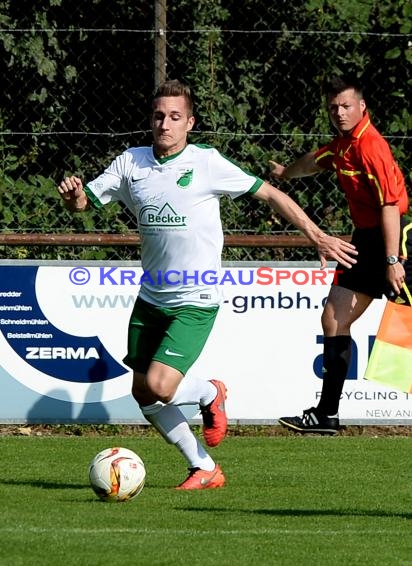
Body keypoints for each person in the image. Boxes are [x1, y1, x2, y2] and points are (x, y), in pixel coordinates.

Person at [57, 79, 357, 489]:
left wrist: (316, 235)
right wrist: (73, 195)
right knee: (143, 394)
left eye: (175, 117)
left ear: (190, 123)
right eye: (159, 116)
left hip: (195, 296)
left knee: (162, 385)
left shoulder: (207, 162)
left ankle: (209, 393)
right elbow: (83, 203)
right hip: (151, 296)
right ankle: (204, 467)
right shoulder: (131, 162)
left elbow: (270, 194)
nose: (165, 124)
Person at [270, 74, 411, 435]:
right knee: (333, 318)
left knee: (406, 330)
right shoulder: (342, 146)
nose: (340, 112)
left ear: (362, 106)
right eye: (333, 107)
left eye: (346, 105)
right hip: (365, 241)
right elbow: (315, 161)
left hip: (398, 238)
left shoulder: (371, 146)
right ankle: (325, 415)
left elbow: (391, 205)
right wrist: (286, 173)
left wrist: (393, 260)